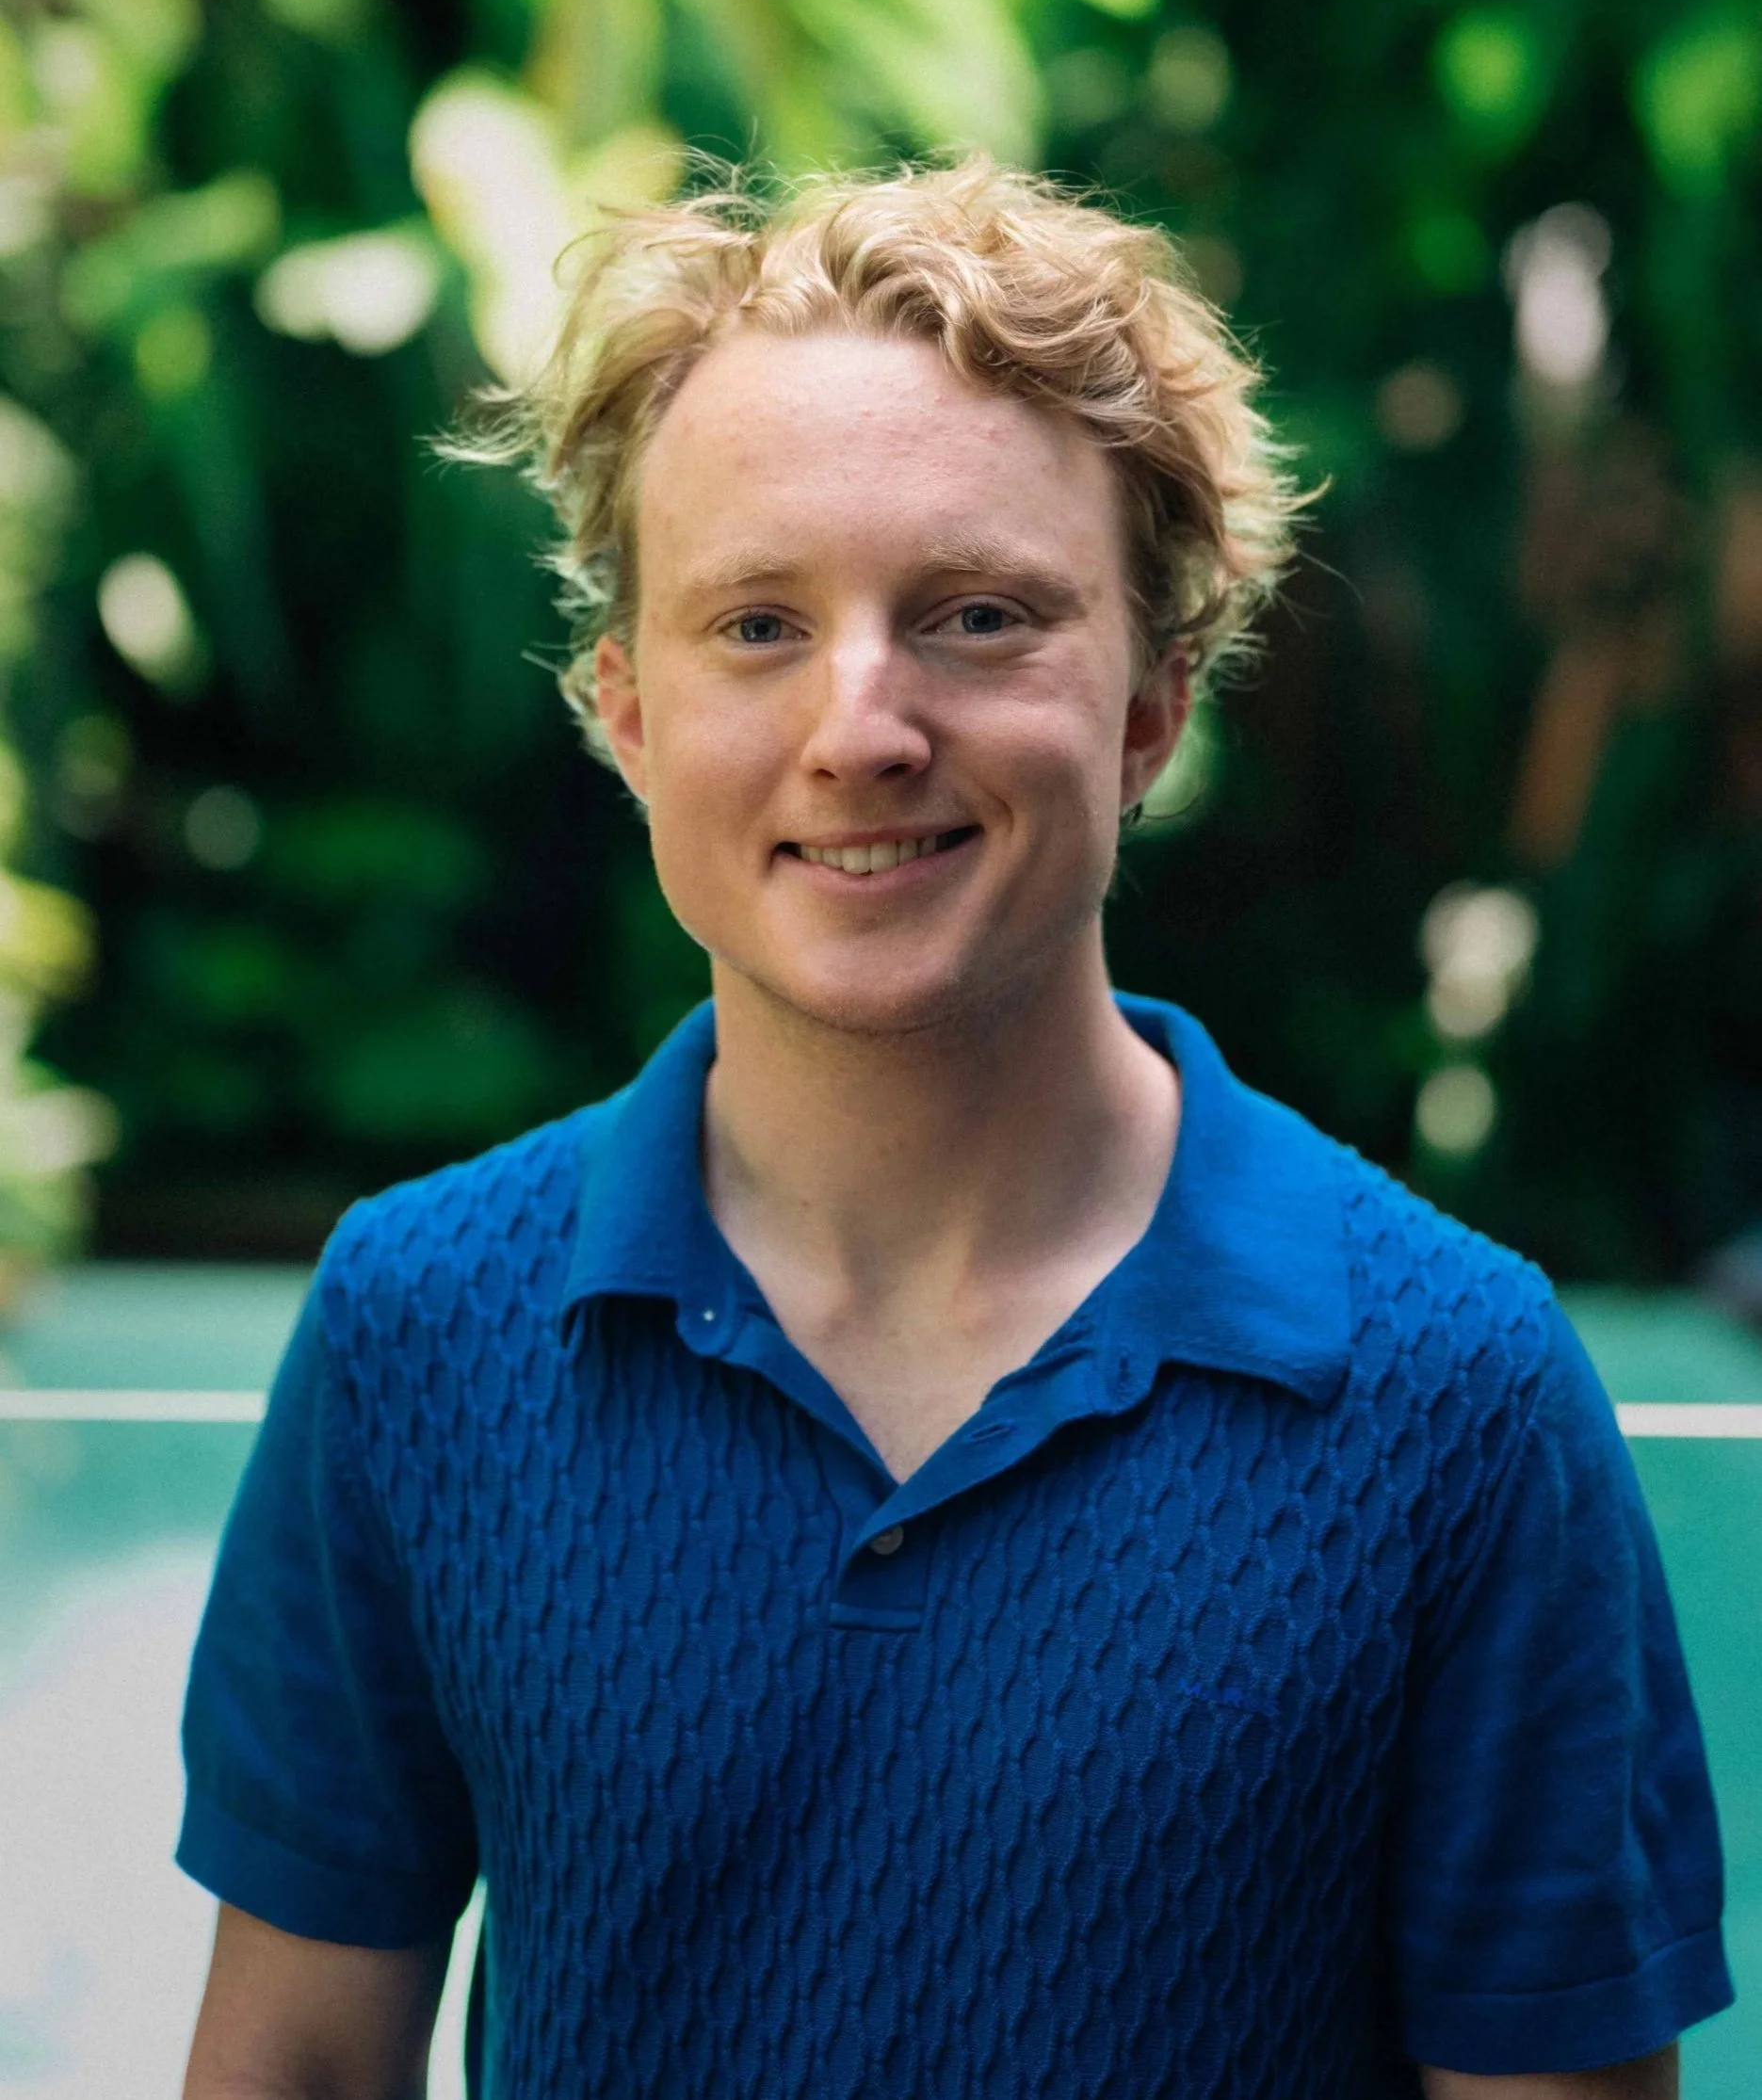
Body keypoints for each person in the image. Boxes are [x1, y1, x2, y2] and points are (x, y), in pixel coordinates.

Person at [177, 159, 1733, 2100]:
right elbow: (297, 2066)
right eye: (757, 623)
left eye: (977, 615)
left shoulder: (1457, 1394)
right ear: (629, 712)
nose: (860, 726)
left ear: (1153, 705)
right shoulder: (413, 1328)